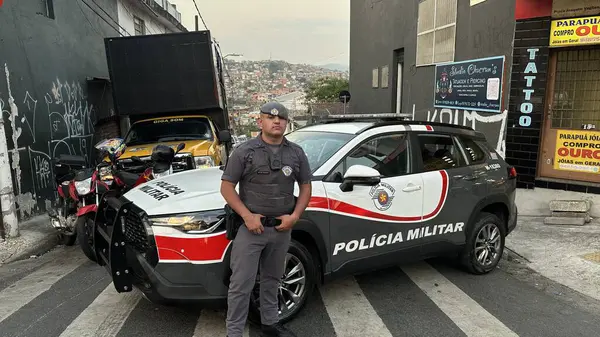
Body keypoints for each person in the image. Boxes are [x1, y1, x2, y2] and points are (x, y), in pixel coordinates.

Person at [220, 101, 312, 337]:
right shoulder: (244, 151)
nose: (277, 121)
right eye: (271, 118)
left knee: (273, 279)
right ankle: (234, 333)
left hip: (281, 230)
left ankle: (270, 324)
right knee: (241, 284)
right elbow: (227, 187)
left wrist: (295, 217)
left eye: (281, 118)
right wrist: (247, 216)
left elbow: (305, 186)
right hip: (251, 229)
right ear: (260, 122)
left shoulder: (295, 153)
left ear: (286, 122)